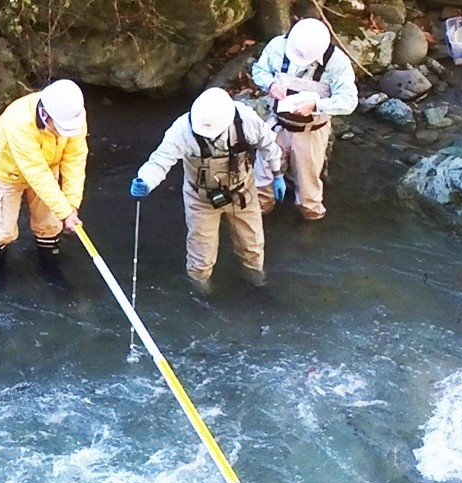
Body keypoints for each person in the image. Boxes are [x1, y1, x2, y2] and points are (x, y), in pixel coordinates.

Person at [129, 87, 284, 295]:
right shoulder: (182, 130)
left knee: (253, 247)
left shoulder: (246, 120)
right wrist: (145, 180)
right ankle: (200, 294)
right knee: (200, 258)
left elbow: (269, 146)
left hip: (242, 193)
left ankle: (256, 285)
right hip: (200, 199)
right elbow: (160, 161)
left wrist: (278, 174)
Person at [0, 79, 88, 290]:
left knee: (50, 224)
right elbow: (35, 172)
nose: (63, 134)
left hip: (49, 165)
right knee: (4, 231)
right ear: (46, 115)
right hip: (9, 172)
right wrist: (64, 211)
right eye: (60, 129)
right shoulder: (19, 123)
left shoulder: (74, 116)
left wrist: (72, 205)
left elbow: (75, 159)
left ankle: (50, 267)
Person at [251, 17, 357, 220]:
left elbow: (349, 101)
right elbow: (259, 70)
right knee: (262, 176)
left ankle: (310, 224)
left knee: (309, 191)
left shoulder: (337, 63)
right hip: (276, 125)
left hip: (311, 134)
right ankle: (260, 210)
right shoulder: (278, 46)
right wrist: (270, 84)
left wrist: (316, 106)